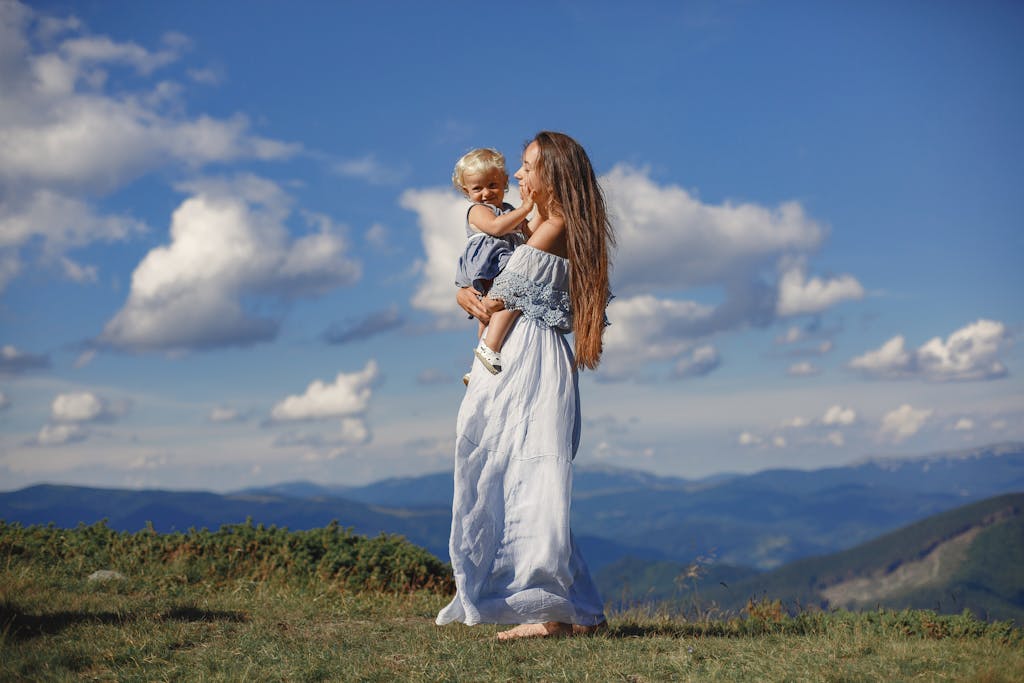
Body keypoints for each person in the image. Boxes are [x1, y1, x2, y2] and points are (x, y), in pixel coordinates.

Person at [436, 131, 614, 640]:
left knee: (532, 477)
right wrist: (466, 295)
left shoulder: (554, 225)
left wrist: (481, 334)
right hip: (526, 351)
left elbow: (507, 294)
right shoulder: (545, 222)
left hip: (527, 355)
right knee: (524, 473)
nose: (517, 175)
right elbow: (493, 284)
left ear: (551, 175)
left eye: (527, 166)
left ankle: (550, 612)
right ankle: (581, 613)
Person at [452, 148, 534, 379]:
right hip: (489, 262)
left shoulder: (508, 211)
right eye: (477, 188)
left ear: (504, 182)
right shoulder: (478, 210)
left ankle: (479, 362)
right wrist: (526, 208)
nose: (486, 193)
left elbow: (530, 232)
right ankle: (489, 351)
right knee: (502, 302)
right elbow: (497, 228)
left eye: (492, 185)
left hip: (502, 261)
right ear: (466, 191)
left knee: (489, 316)